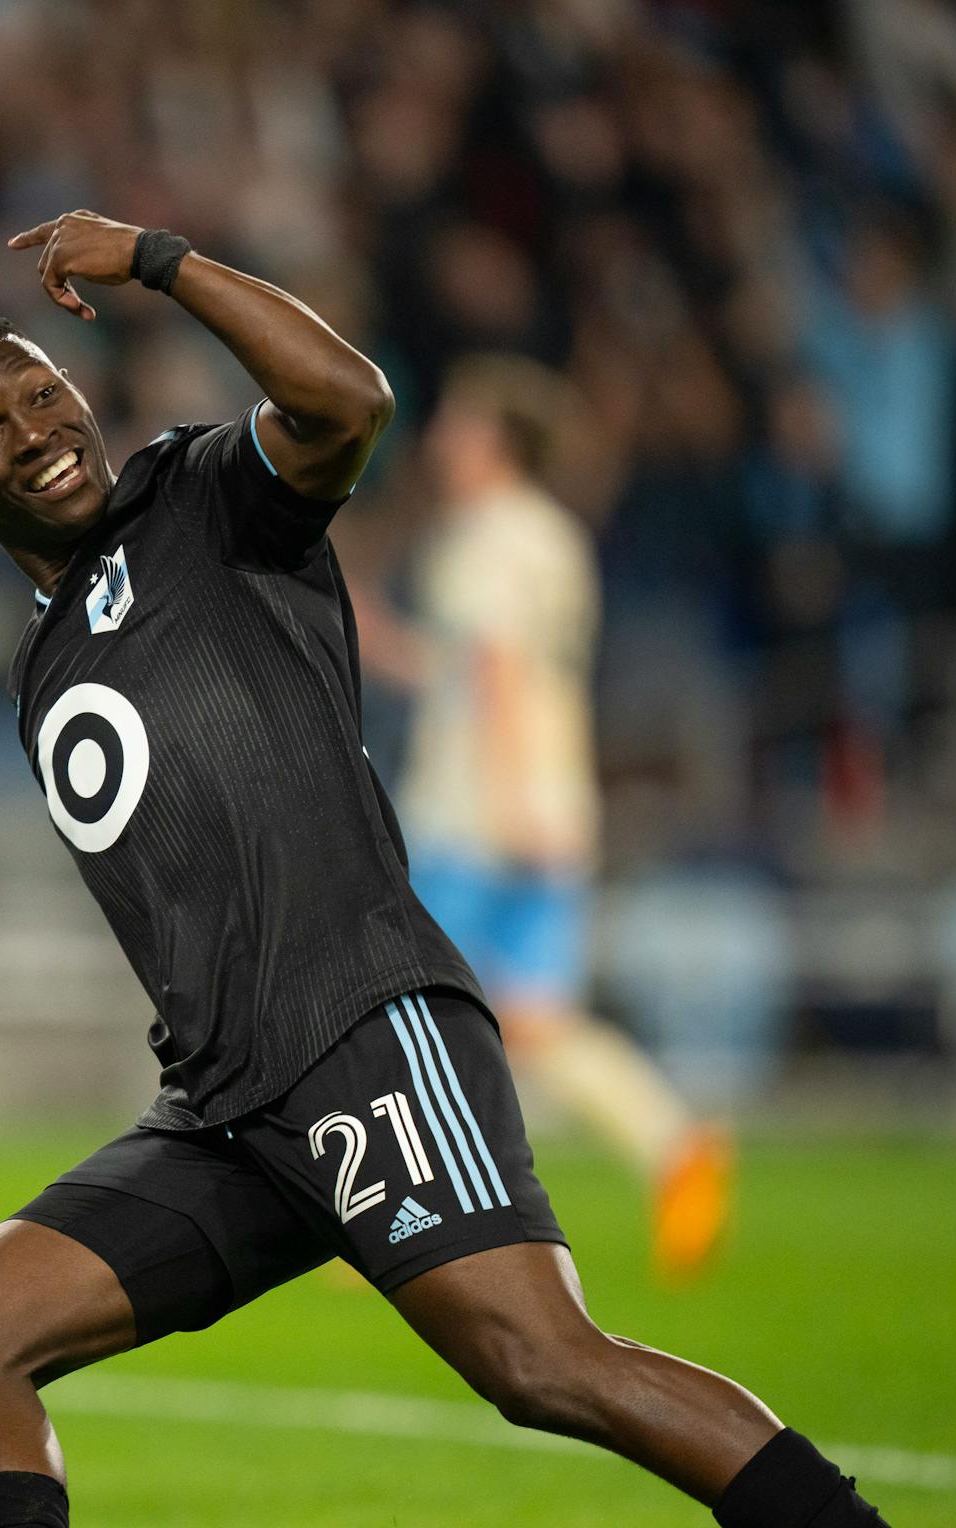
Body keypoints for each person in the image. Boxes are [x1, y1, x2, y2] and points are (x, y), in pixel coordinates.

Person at [0, 211, 888, 1528]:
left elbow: (348, 400)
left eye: (43, 392)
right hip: (225, 1105)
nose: (36, 431)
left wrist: (164, 263)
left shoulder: (201, 497)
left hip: (360, 1025)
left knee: (543, 1364)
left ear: (81, 387)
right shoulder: (41, 662)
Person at [363, 354, 731, 1282]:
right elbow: (478, 670)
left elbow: (495, 674)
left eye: (455, 422)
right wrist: (380, 642)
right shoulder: (551, 538)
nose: (441, 439)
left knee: (406, 1006)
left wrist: (511, 797)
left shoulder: (487, 537)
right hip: (547, 800)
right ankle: (673, 1143)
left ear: (494, 442)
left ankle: (388, 1209)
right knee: (527, 1018)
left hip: (480, 812)